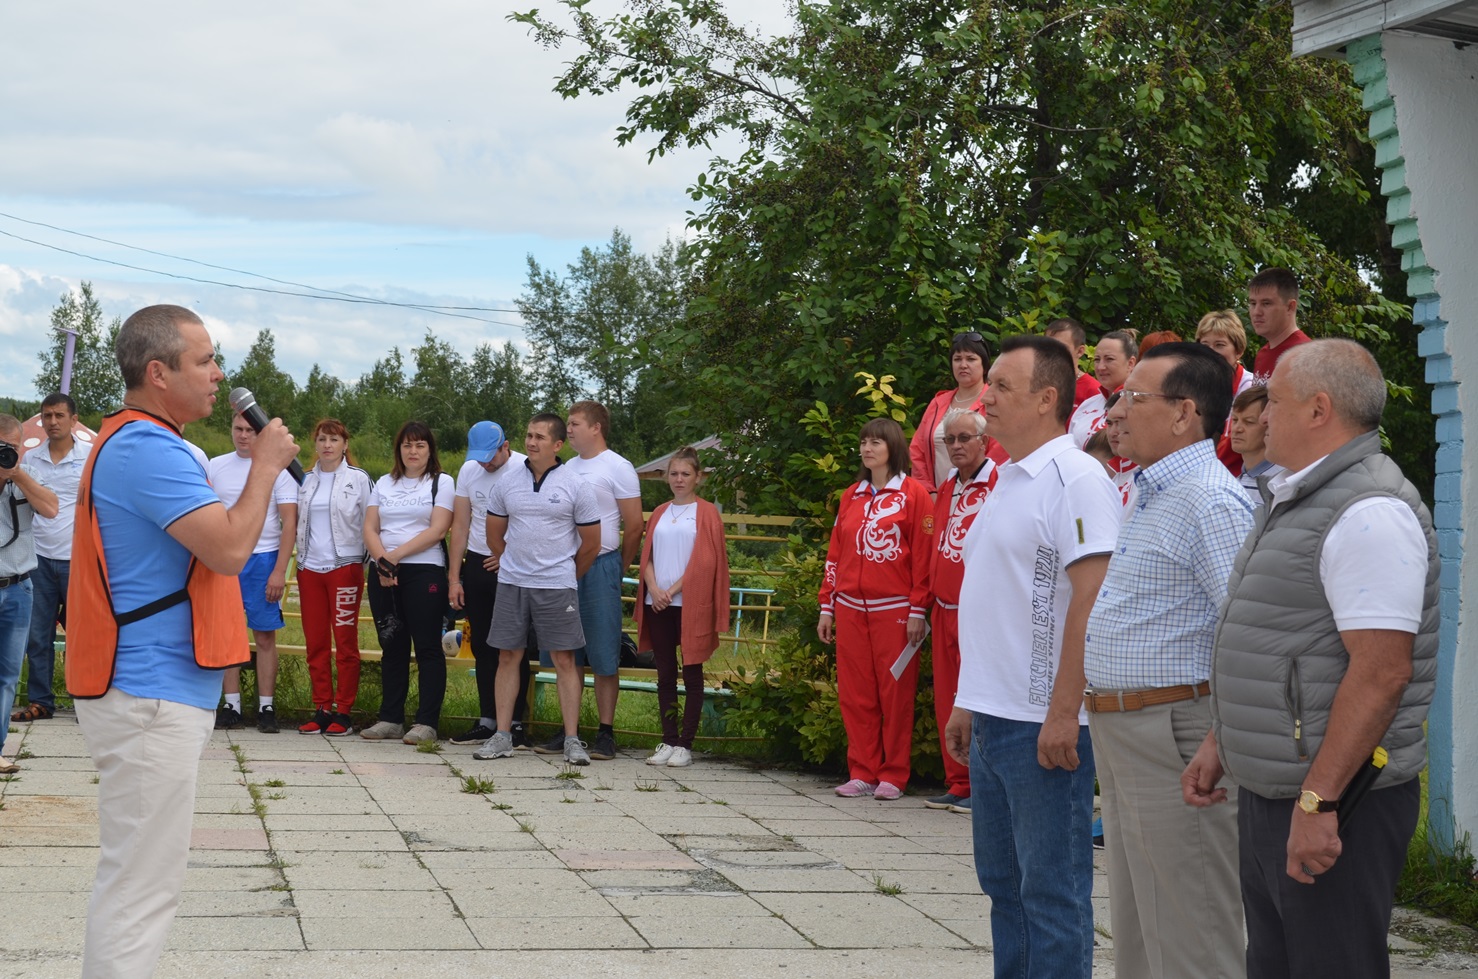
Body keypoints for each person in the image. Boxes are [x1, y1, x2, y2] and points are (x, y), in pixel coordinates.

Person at [1184, 339, 1438, 979]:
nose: (1262, 415)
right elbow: (1280, 639)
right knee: (1277, 962)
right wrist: (1224, 740)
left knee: (1331, 962)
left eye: (1274, 401)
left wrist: (1320, 803)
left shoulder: (1369, 511)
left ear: (1319, 410)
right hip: (1282, 787)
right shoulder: (1300, 495)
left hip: (1336, 797)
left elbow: (1382, 673)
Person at [66, 304, 298, 978]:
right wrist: (265, 468)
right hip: (149, 692)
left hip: (153, 687)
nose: (219, 374)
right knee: (140, 888)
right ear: (159, 373)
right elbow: (228, 549)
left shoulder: (142, 441)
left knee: (140, 880)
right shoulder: (147, 447)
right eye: (205, 360)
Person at [942, 334, 1120, 979]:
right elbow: (998, 602)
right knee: (1004, 888)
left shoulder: (1076, 479)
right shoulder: (1007, 479)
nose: (984, 397)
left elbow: (1091, 597)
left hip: (1042, 723)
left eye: (1001, 386)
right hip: (993, 717)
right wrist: (967, 701)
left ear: (1047, 399)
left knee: (1051, 893)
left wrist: (1063, 712)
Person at [1083, 343, 1254, 978]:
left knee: (1193, 934)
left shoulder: (1210, 500)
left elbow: (1248, 633)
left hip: (1175, 734)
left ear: (1184, 413)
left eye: (1134, 397)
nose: (1116, 411)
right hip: (1129, 732)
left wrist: (1221, 735)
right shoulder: (1155, 490)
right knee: (1141, 930)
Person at [475, 413, 601, 765]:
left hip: (557, 587)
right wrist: (515, 563)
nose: (531, 442)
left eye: (540, 437)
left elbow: (592, 544)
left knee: (564, 659)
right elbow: (493, 536)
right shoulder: (507, 482)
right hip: (512, 584)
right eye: (529, 435)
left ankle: (572, 740)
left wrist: (564, 573)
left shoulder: (576, 485)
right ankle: (502, 737)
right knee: (507, 656)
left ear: (558, 444)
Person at [818, 417, 932, 799]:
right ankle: (862, 771)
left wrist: (918, 610)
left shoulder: (914, 495)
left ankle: (894, 775)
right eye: (864, 442)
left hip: (895, 609)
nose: (867, 449)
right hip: (850, 608)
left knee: (895, 695)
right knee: (855, 694)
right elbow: (835, 553)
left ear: (892, 447)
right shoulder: (851, 495)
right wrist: (827, 605)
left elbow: (923, 558)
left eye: (876, 443)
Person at [547, 400, 643, 761]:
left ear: (595, 427)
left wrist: (619, 567)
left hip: (602, 565)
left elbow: (634, 524)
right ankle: (569, 730)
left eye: (574, 423)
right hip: (565, 567)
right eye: (568, 424)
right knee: (565, 651)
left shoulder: (618, 467)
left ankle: (606, 732)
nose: (568, 429)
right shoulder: (566, 468)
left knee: (603, 652)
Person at [923, 408, 1007, 812]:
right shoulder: (946, 486)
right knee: (947, 697)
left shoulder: (999, 482)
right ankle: (957, 780)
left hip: (978, 609)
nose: (956, 446)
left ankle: (982, 785)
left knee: (977, 695)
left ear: (984, 442)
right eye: (950, 440)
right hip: (943, 606)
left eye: (964, 438)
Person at [634, 447, 731, 768]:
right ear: (667, 477)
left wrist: (672, 590)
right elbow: (646, 556)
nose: (679, 479)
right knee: (664, 673)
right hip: (658, 602)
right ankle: (668, 739)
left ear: (697, 477)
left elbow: (706, 563)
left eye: (685, 474)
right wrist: (654, 588)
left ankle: (685, 744)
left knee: (691, 672)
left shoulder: (706, 513)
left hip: (690, 603)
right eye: (674, 474)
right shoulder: (660, 512)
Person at [359, 421, 455, 745]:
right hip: (384, 572)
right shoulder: (384, 483)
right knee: (392, 645)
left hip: (424, 570)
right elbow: (370, 527)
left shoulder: (442, 482)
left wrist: (394, 556)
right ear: (398, 449)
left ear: (430, 450)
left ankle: (427, 722)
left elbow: (438, 529)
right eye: (406, 445)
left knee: (427, 647)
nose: (413, 451)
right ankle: (390, 718)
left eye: (420, 445)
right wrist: (382, 560)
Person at [209, 411, 299, 733]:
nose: (244, 435)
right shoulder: (215, 466)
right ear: (231, 429)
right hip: (226, 559)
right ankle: (231, 705)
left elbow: (289, 523)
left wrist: (279, 572)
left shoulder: (277, 469)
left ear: (260, 434)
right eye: (238, 428)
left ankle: (266, 707)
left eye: (250, 430)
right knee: (228, 634)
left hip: (263, 559)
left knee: (263, 636)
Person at [447, 420, 532, 748]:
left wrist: (508, 553)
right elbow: (460, 525)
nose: (485, 463)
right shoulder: (469, 470)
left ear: (505, 446)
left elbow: (535, 521)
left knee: (513, 646)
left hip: (513, 566)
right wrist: (455, 578)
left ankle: (516, 723)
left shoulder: (525, 468)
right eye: (479, 457)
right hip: (478, 563)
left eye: (490, 456)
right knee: (482, 645)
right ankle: (487, 720)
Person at [13, 393, 88, 723]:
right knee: (37, 636)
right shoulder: (30, 458)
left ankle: (86, 700)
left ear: (74, 420)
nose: (52, 422)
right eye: (47, 416)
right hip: (38, 557)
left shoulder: (91, 457)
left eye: (59, 415)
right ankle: (41, 701)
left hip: (78, 558)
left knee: (83, 635)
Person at [294, 418, 371, 736]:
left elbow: (372, 523)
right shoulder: (304, 480)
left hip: (345, 568)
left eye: (334, 439)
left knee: (345, 643)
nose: (327, 445)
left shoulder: (359, 479)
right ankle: (322, 707)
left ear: (345, 445)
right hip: (309, 569)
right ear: (315, 444)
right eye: (322, 439)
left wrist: (365, 564)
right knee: (316, 643)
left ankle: (344, 711)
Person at [0, 414, 60, 768]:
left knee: (8, 676)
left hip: (19, 587)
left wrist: (17, 474)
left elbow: (51, 508)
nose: (5, 452)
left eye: (11, 447)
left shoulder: (27, 474)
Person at [909, 331, 992, 494]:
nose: (963, 365)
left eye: (971, 359)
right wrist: (928, 492)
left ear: (985, 366)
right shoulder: (937, 403)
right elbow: (918, 451)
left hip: (980, 496)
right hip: (936, 499)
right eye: (957, 359)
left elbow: (999, 453)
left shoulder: (994, 402)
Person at [1198, 309, 1256, 474]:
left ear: (1239, 351)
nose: (1210, 352)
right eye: (1205, 345)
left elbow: (1232, 446)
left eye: (1219, 345)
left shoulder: (1249, 386)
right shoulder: (1195, 385)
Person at [1069, 328, 1138, 448]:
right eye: (1097, 359)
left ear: (1131, 363)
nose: (1100, 367)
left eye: (1109, 359)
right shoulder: (1087, 405)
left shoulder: (1140, 406)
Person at [1248, 267, 1310, 384]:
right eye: (1253, 303)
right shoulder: (1262, 354)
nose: (1256, 312)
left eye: (1266, 303)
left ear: (1290, 307)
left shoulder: (1304, 357)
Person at [1228, 386, 1283, 508]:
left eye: (1249, 422)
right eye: (1235, 420)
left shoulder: (1280, 482)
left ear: (1267, 424)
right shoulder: (1233, 481)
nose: (1237, 429)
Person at [1045, 318, 1107, 412]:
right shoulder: (1035, 383)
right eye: (1048, 346)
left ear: (1080, 351)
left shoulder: (1093, 391)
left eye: (1061, 347)